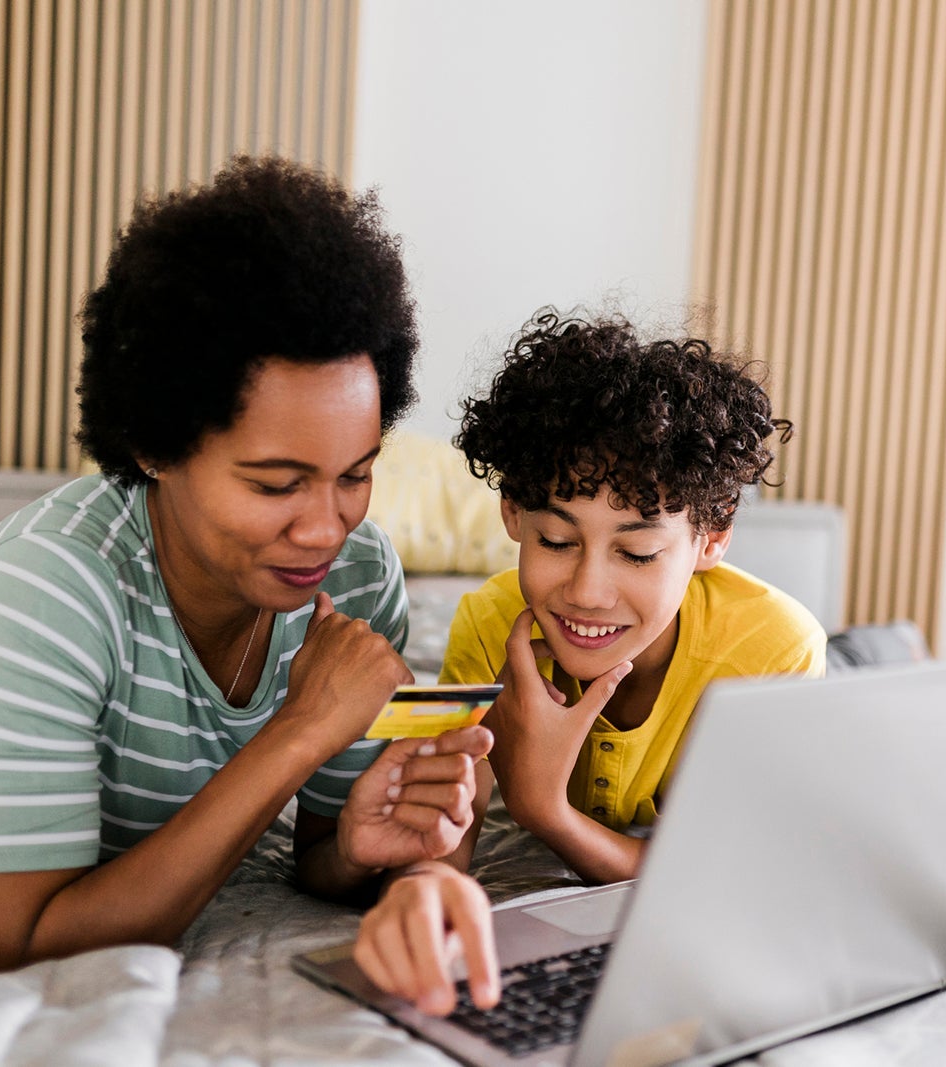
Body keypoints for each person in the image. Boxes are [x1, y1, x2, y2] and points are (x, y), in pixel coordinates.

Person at [0, 155, 499, 1009]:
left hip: (38, 617)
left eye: (355, 473)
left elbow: (323, 851)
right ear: (154, 447)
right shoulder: (41, 591)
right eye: (274, 484)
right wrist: (297, 731)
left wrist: (387, 848)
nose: (324, 528)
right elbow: (13, 952)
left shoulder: (361, 573)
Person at [351, 308, 827, 1012]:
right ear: (512, 514)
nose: (587, 592)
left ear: (711, 538)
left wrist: (547, 810)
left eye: (637, 552)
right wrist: (426, 887)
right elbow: (444, 823)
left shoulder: (775, 649)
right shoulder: (489, 624)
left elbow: (724, 882)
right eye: (554, 540)